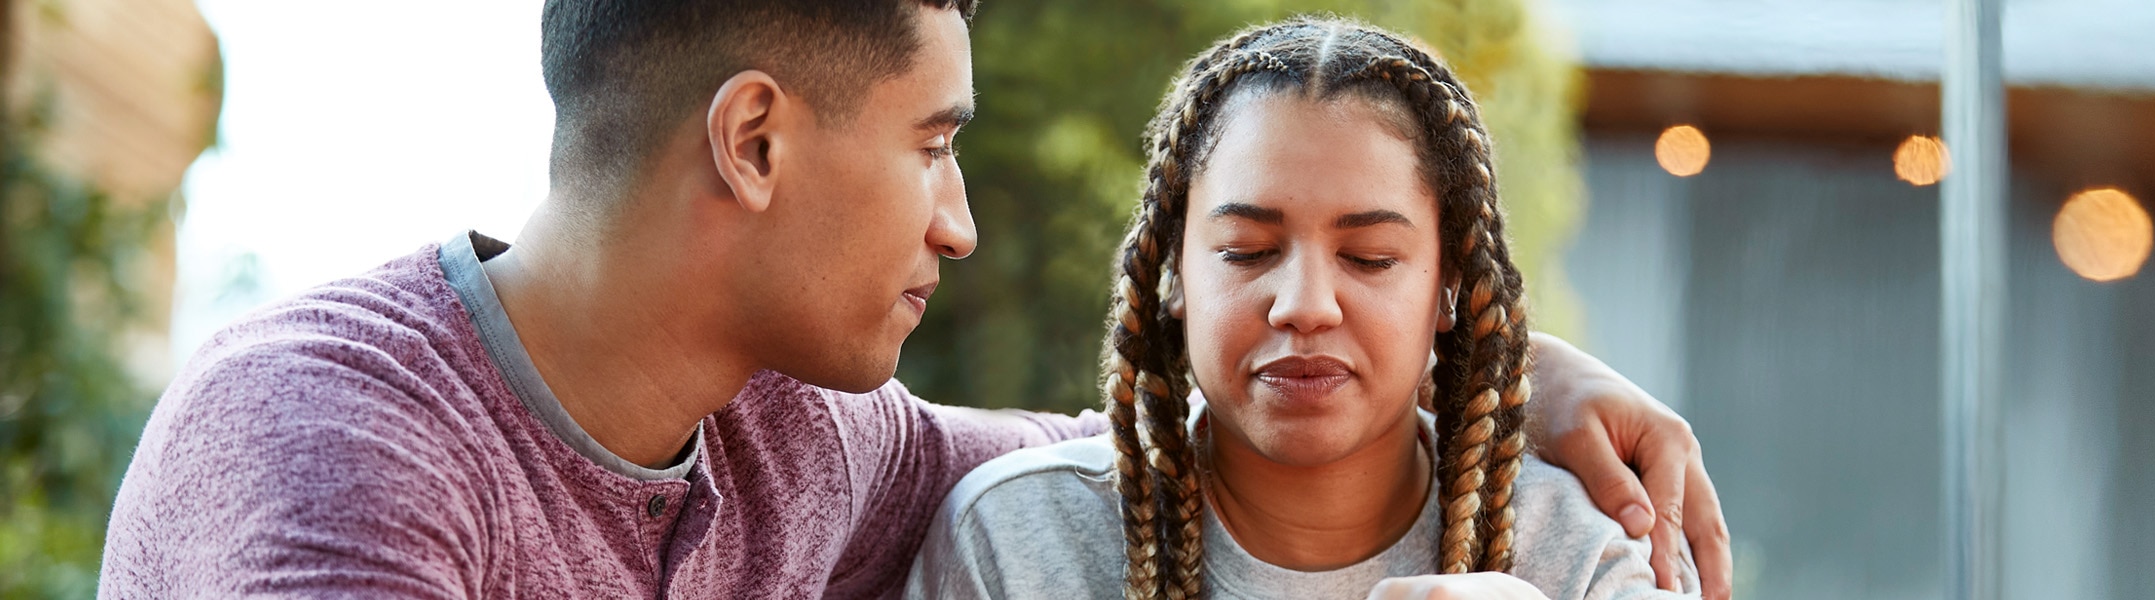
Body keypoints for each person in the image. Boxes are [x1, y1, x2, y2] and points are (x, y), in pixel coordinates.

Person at [98, 1, 1729, 598]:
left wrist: (1522, 374)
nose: (955, 223)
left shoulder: (810, 440)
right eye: (933, 148)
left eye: (1371, 252)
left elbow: (1162, 442)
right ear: (754, 139)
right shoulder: (326, 444)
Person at [909, 18, 1695, 599]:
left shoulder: (1581, 558)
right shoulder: (1016, 542)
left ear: (1449, 284)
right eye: (1247, 250)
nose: (1305, 306)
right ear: (1172, 273)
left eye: (1370, 259)